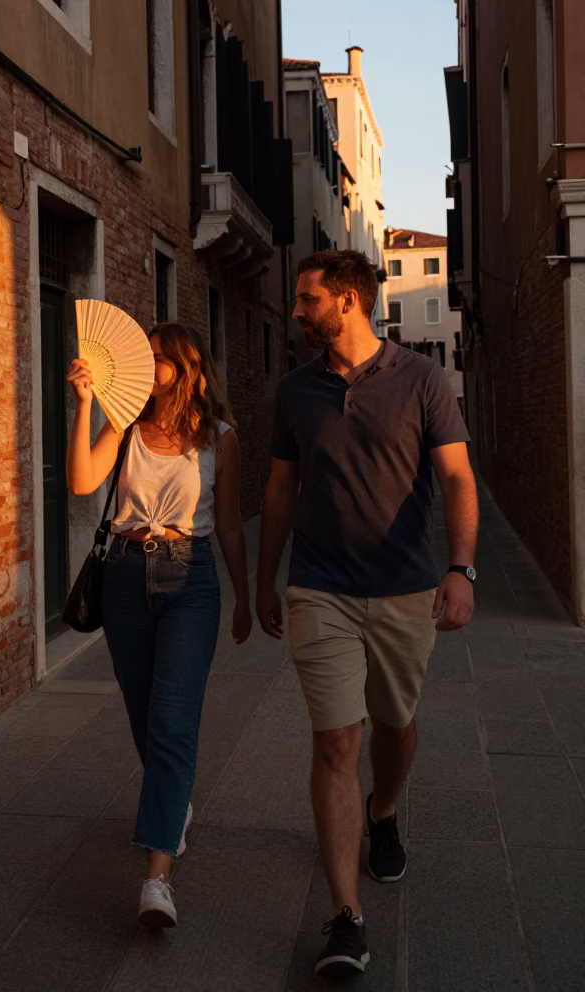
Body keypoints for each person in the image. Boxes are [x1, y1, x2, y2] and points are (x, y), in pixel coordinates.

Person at [256, 250, 478, 979]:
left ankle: (383, 812)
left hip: (406, 588)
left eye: (307, 298)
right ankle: (346, 916)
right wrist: (265, 578)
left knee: (395, 727)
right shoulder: (294, 391)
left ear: (347, 300)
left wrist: (460, 568)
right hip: (320, 587)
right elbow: (281, 492)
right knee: (334, 743)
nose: (297, 309)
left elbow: (455, 477)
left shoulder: (420, 380)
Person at [66, 321, 252, 928]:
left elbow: (227, 526)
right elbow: (80, 482)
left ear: (186, 366)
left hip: (190, 579)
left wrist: (246, 595)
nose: (147, 369)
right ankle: (174, 807)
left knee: (173, 719)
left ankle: (156, 879)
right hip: (122, 576)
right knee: (145, 712)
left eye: (157, 360)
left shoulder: (220, 439)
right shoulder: (123, 426)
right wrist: (86, 405)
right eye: (142, 358)